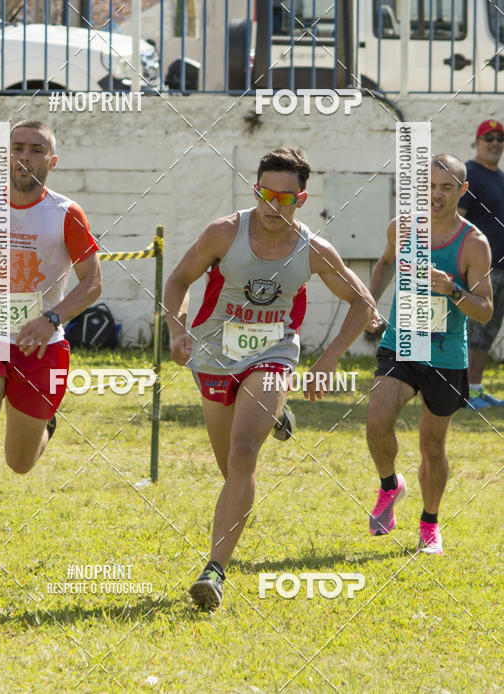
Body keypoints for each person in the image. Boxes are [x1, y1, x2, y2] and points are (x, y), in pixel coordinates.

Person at [164, 146, 375, 610]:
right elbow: (178, 280)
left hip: (273, 353)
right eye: (265, 193)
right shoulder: (224, 232)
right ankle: (277, 418)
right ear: (255, 189)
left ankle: (214, 571)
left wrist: (328, 359)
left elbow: (363, 302)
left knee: (242, 456)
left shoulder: (314, 249)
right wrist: (178, 331)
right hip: (215, 355)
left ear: (301, 199)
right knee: (231, 473)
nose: (272, 205)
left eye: (285, 197)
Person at [0, 120, 102, 581]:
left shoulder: (66, 214)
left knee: (19, 462)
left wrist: (51, 319)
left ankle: (44, 424)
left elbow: (93, 282)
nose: (23, 157)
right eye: (16, 148)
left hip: (41, 343)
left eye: (35, 149)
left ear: (52, 160)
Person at [367, 154, 493, 555]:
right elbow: (385, 264)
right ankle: (390, 486)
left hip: (445, 354)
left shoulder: (473, 243)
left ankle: (429, 524)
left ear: (462, 191)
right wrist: (370, 302)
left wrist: (453, 290)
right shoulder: (402, 228)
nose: (436, 195)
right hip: (403, 343)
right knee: (377, 419)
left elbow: (485, 309)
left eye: (446, 187)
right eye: (429, 187)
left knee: (431, 446)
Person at [458, 119, 504, 409]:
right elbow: (456, 219)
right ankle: (462, 394)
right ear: (476, 142)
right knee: (472, 331)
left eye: (500, 139)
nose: (495, 143)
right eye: (488, 138)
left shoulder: (500, 177)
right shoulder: (469, 174)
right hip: (478, 269)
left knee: (487, 331)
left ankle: (475, 389)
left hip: (501, 269)